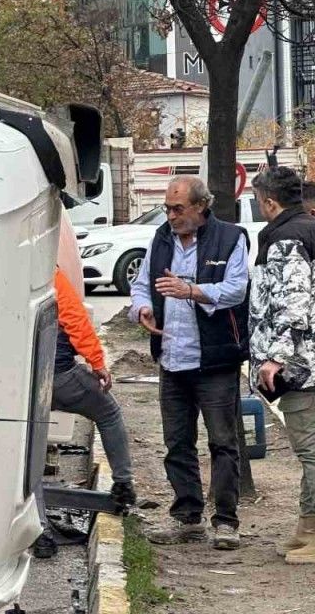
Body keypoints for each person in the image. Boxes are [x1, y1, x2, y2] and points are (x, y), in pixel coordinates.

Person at [130, 175, 250, 550]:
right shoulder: (162, 238)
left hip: (215, 361)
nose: (170, 216)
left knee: (222, 442)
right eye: (167, 208)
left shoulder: (230, 238)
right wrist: (143, 308)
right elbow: (140, 282)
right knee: (177, 442)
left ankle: (226, 521)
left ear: (201, 206)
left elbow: (236, 289)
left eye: (177, 208)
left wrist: (192, 291)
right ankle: (187, 518)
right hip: (172, 357)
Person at [33, 266, 137, 559]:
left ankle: (40, 531)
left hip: (17, 384)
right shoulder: (48, 273)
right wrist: (97, 362)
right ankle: (123, 484)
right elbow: (74, 319)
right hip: (61, 377)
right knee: (108, 413)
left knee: (27, 458)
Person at [247, 167, 315, 564]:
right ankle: (307, 528)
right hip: (305, 360)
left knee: (309, 450)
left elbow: (292, 302)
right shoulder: (305, 229)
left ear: (269, 202)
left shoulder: (287, 238)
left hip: (301, 365)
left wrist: (275, 357)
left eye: (258, 201)